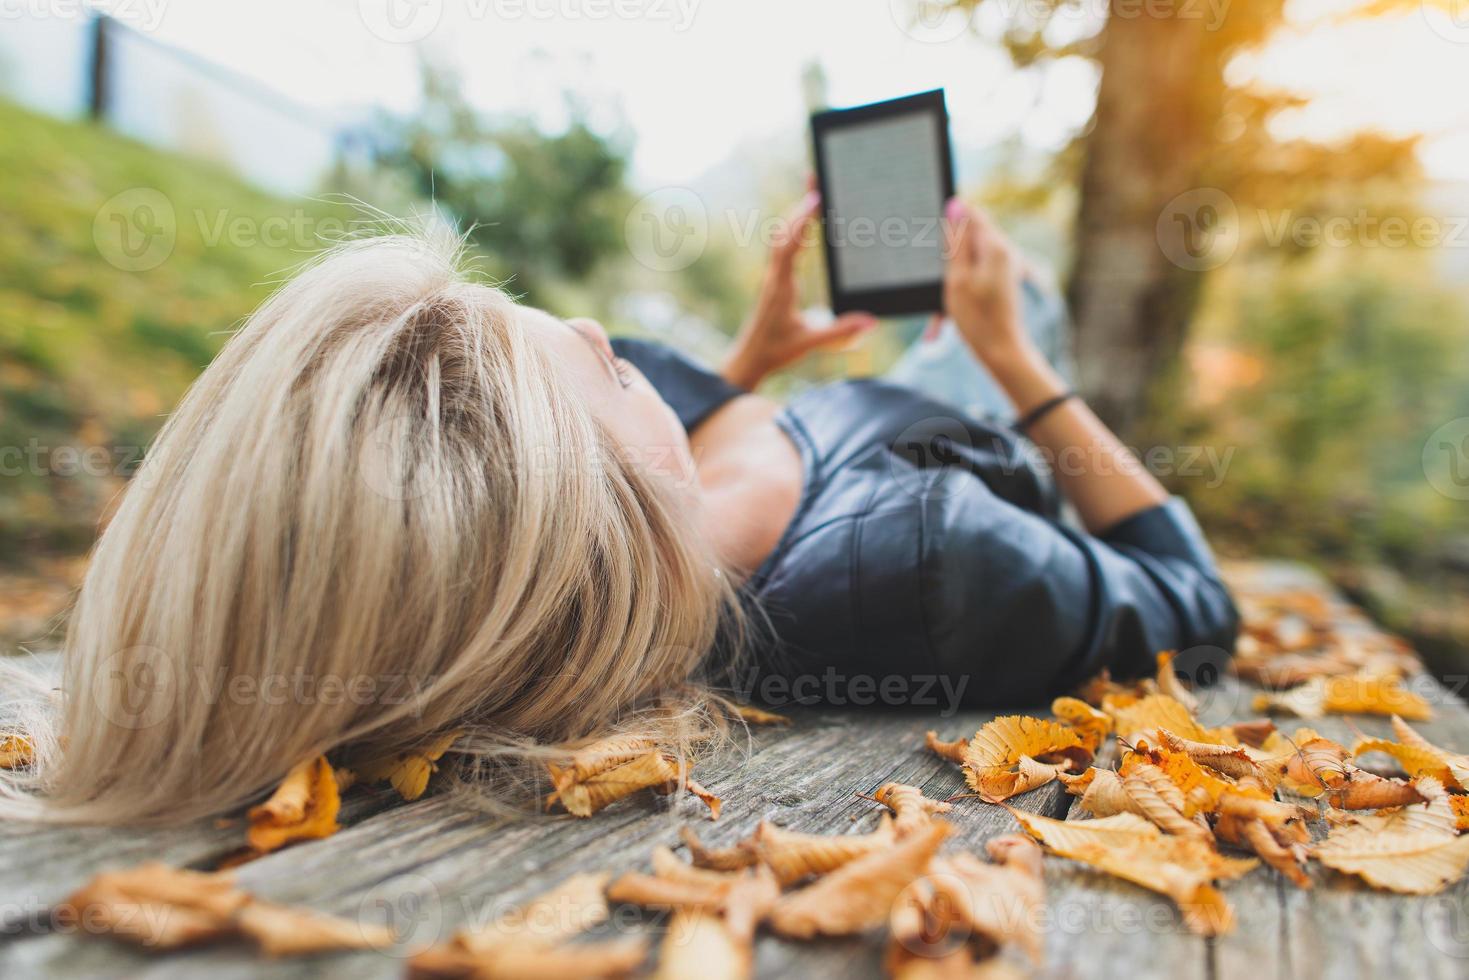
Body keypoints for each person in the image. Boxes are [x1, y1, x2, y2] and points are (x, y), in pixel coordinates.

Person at [0, 197, 1235, 825]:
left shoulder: (623, 514)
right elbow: (1192, 597)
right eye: (598, 370)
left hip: (873, 406)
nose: (599, 330)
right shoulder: (934, 565)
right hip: (980, 422)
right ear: (593, 529)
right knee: (1010, 281)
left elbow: (666, 432)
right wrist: (1020, 371)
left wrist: (750, 362)